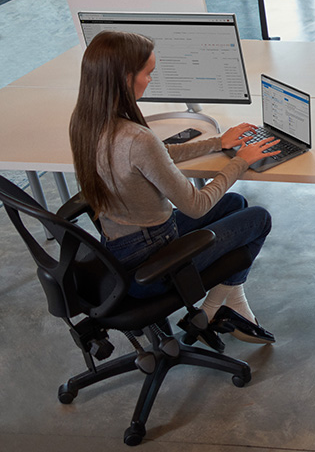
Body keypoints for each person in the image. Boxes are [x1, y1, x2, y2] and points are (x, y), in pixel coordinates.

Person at [68, 30, 279, 344]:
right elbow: (196, 204)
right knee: (259, 218)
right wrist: (241, 161)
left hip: (120, 251)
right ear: (126, 79)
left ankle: (227, 304)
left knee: (235, 204)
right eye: (147, 73)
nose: (151, 79)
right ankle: (209, 311)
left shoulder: (86, 122)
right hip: (153, 267)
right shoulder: (137, 138)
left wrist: (218, 143)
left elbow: (156, 156)